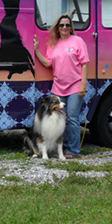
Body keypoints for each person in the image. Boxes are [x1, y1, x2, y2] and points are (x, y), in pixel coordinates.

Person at [33, 14, 89, 159]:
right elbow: (47, 63)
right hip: (58, 87)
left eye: (67, 25)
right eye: (62, 25)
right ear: (58, 28)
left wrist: (83, 84)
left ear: (71, 27)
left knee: (72, 118)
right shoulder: (54, 44)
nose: (65, 27)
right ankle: (61, 148)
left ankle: (73, 150)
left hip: (75, 86)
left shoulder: (78, 41)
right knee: (58, 120)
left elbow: (85, 63)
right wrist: (36, 50)